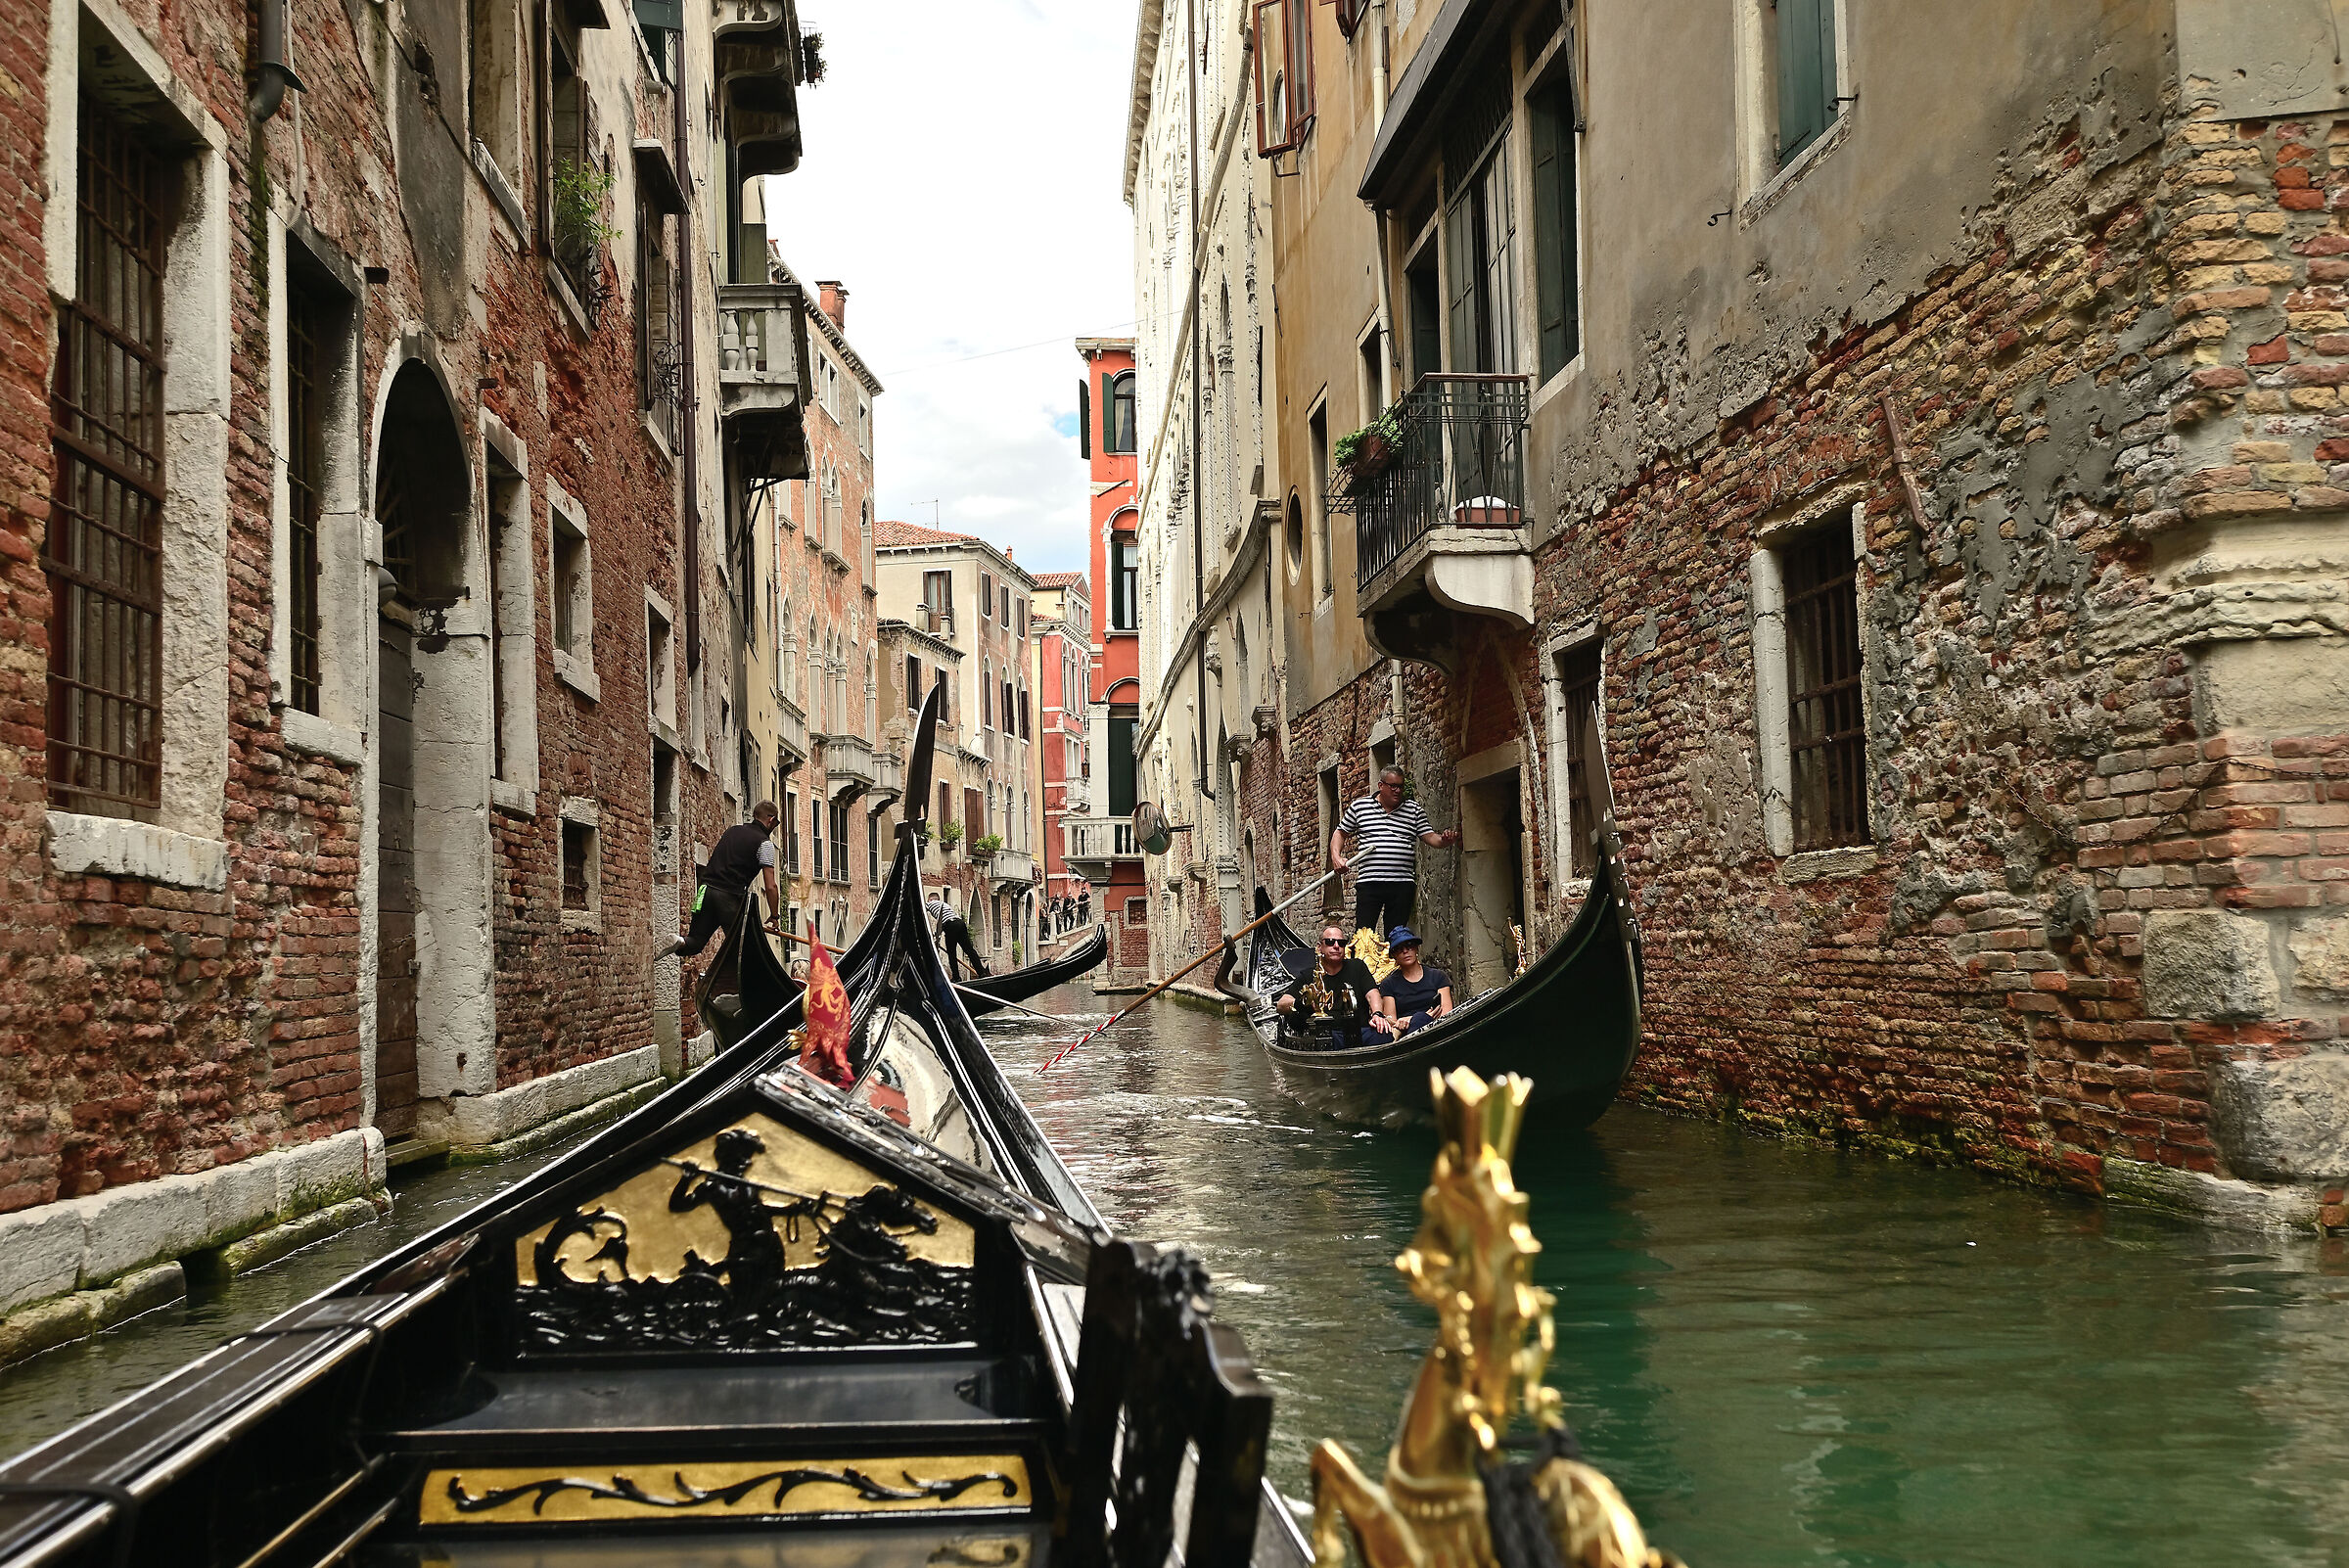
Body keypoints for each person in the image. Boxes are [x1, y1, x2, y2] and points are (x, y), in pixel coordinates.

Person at [1331, 766, 1460, 941]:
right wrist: (1336, 857)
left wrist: (1445, 840)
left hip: (1401, 884)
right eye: (1392, 786)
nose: (1397, 790)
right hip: (1370, 883)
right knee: (1363, 936)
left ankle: (1395, 968)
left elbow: (1431, 837)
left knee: (1398, 937)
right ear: (1381, 785)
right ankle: (1361, 967)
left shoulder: (1413, 809)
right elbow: (1340, 833)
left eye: (1400, 786)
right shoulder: (1360, 807)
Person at [669, 802, 783, 959]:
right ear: (771, 820)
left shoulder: (732, 831)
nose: (775, 827)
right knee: (744, 949)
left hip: (705, 891)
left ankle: (680, 942)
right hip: (729, 896)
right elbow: (771, 886)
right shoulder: (765, 844)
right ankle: (736, 983)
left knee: (695, 942)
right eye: (776, 823)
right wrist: (774, 915)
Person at [1274, 922, 1380, 1050]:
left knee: (1384, 1035)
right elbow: (1281, 1005)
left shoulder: (1357, 967)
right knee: (1326, 1041)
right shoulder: (1309, 975)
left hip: (1359, 1030)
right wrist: (1302, 1003)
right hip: (1326, 1034)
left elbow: (1372, 994)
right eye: (1330, 942)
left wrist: (1377, 1014)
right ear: (1319, 947)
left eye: (1341, 943)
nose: (1336, 946)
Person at [1369, 927, 1452, 1038]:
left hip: (1436, 1029)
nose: (1405, 951)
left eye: (1409, 946)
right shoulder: (1388, 984)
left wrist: (1417, 1018)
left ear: (1416, 949)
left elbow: (1446, 1013)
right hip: (1406, 1033)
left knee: (1420, 1019)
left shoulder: (1438, 976)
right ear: (1394, 955)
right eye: (1399, 949)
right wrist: (1410, 1021)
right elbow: (1391, 1020)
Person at [927, 885, 990, 980]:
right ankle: (981, 972)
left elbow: (920, 910)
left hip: (950, 925)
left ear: (931, 899)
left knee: (952, 953)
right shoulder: (946, 905)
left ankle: (956, 977)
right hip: (960, 923)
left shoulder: (930, 903)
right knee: (969, 950)